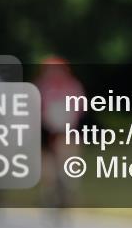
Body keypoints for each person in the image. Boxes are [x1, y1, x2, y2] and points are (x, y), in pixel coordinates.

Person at [34, 56, 86, 215]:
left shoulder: (72, 86)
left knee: (70, 159)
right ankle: (49, 195)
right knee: (47, 164)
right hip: (46, 131)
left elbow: (80, 109)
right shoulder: (42, 86)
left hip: (67, 131)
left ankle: (68, 190)